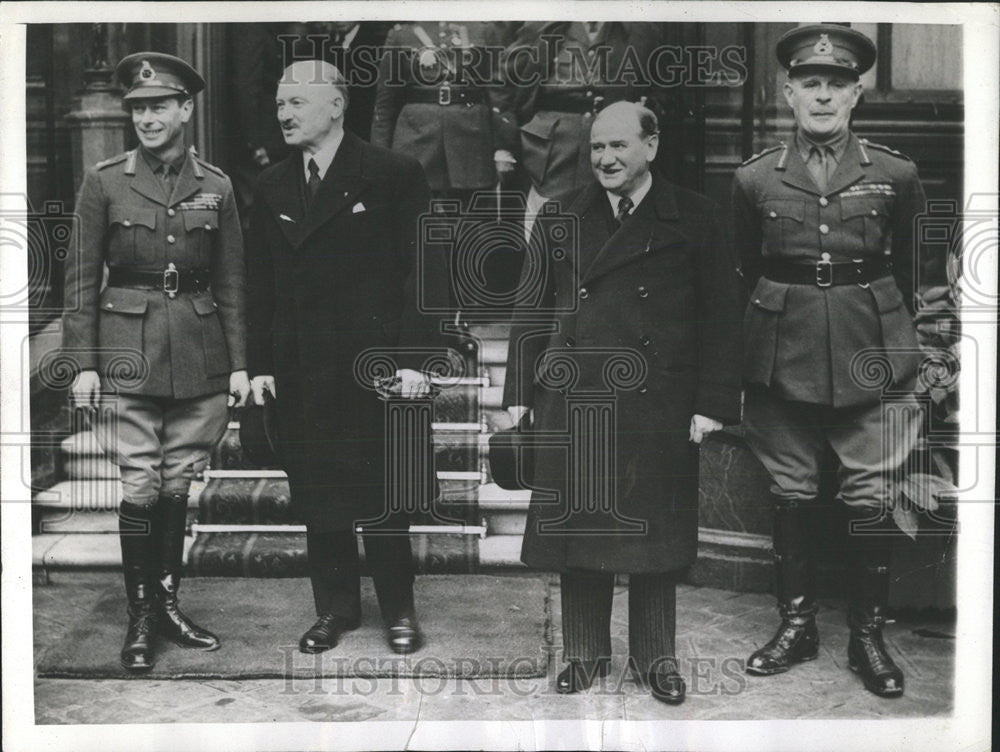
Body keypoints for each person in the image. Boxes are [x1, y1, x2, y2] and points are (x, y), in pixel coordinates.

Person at [503, 101, 742, 704]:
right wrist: (518, 397)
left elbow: (721, 317)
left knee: (654, 535)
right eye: (596, 149)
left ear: (652, 146)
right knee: (581, 530)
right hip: (574, 394)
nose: (606, 159)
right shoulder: (560, 214)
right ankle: (584, 654)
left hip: (659, 397)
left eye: (619, 147)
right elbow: (530, 313)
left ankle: (655, 658)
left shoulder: (697, 216)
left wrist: (712, 401)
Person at [732, 25, 928, 698]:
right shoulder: (755, 178)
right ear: (787, 91)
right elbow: (742, 268)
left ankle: (867, 635)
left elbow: (912, 269)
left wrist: (910, 350)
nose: (822, 95)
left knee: (870, 496)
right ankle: (796, 626)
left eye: (836, 84)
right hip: (780, 354)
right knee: (790, 492)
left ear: (857, 93)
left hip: (871, 351)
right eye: (809, 83)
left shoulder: (895, 173)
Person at [245, 60, 449, 655]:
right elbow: (260, 284)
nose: (284, 114)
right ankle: (334, 610)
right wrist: (259, 366)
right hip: (302, 365)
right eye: (280, 104)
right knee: (318, 493)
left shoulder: (392, 173)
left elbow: (425, 272)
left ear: (336, 105)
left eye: (298, 103)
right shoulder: (274, 184)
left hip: (377, 367)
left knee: (384, 493)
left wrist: (416, 358)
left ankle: (399, 611)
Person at [63, 52, 250, 672]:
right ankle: (141, 613)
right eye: (138, 108)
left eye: (158, 106)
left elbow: (232, 283)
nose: (146, 117)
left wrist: (241, 365)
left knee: (178, 483)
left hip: (199, 351)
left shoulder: (217, 185)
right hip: (126, 350)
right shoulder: (105, 180)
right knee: (140, 482)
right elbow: (82, 279)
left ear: (185, 109)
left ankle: (169, 604)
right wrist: (83, 362)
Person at [500, 22, 664, 240]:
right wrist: (507, 139)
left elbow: (661, 90)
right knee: (546, 225)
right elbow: (505, 83)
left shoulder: (639, 30)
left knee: (605, 224)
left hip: (612, 143)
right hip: (549, 148)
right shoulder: (542, 25)